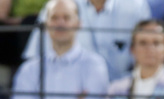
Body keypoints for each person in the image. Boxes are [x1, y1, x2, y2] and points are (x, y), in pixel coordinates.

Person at [22, 0, 153, 81]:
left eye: (66, 18)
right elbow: (34, 58)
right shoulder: (60, 5)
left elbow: (149, 52)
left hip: (122, 94)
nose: (60, 21)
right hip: (72, 94)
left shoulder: (136, 5)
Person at [10, 0, 110, 99]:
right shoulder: (29, 70)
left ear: (78, 24)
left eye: (66, 18)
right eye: (54, 18)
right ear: (45, 25)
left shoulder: (94, 65)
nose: (60, 23)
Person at [108, 19, 164, 97]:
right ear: (132, 49)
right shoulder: (117, 88)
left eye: (156, 43)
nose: (149, 49)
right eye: (143, 43)